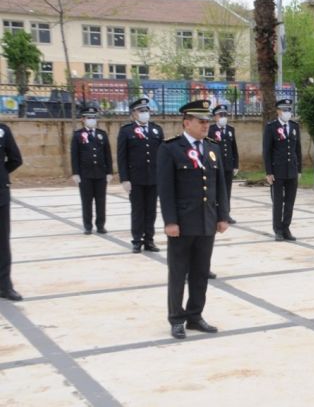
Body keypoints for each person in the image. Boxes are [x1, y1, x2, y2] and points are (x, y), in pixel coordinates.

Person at [157, 99, 229, 340]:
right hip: (183, 222)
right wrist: (170, 221)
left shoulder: (212, 147)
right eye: (201, 121)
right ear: (186, 123)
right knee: (178, 272)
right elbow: (166, 189)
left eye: (207, 121)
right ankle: (176, 318)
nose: (206, 125)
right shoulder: (170, 148)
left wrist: (223, 216)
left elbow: (220, 185)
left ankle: (195, 315)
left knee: (200, 272)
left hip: (207, 221)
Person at [118, 97, 164, 253]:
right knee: (138, 211)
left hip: (153, 178)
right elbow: (122, 157)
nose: (145, 113)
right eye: (141, 111)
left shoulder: (157, 130)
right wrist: (124, 179)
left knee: (151, 211)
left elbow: (163, 155)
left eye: (146, 110)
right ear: (134, 113)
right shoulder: (126, 131)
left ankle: (149, 240)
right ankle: (137, 240)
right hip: (135, 179)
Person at [263, 98, 302, 241]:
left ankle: (286, 228)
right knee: (278, 202)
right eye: (284, 110)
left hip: (292, 170)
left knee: (290, 202)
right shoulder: (271, 127)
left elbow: (298, 149)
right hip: (277, 171)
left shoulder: (294, 126)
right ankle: (278, 229)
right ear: (278, 111)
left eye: (289, 110)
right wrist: (269, 172)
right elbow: (267, 151)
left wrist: (299, 170)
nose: (287, 112)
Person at [70, 106, 113, 235]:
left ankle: (100, 225)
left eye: (94, 117)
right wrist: (75, 173)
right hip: (85, 174)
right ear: (83, 119)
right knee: (86, 201)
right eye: (89, 117)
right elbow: (74, 155)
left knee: (101, 201)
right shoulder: (78, 135)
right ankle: (87, 225)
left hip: (100, 173)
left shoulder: (102, 134)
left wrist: (109, 172)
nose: (92, 120)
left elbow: (107, 154)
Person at [0, 122, 23, 301]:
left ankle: (5, 286)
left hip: (0, 194)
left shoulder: (3, 130)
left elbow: (16, 159)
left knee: (2, 242)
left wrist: (1, 173)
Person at [208, 104, 239, 224]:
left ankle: (226, 214)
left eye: (225, 114)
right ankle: (215, 214)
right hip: (216, 166)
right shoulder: (211, 130)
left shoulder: (230, 129)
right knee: (216, 191)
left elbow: (234, 148)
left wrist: (236, 164)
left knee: (227, 191)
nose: (223, 117)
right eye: (221, 115)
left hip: (228, 166)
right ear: (215, 117)